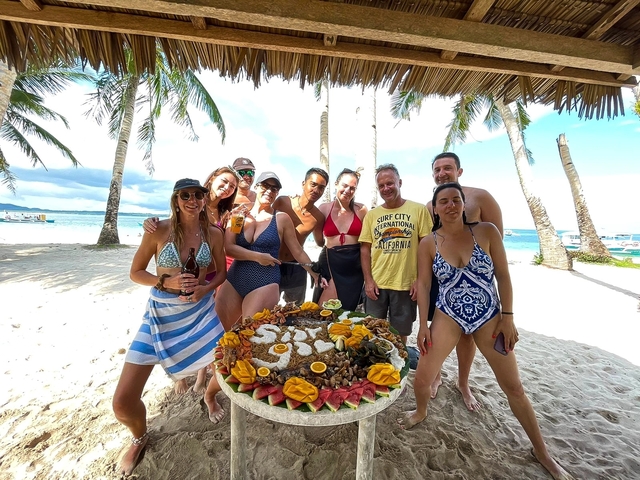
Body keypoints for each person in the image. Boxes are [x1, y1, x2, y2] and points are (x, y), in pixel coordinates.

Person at [398, 183, 570, 480]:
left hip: (489, 316)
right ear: (435, 209)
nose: (450, 205)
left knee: (514, 387)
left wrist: (508, 317)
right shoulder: (428, 242)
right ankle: (421, 412)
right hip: (447, 315)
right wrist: (423, 325)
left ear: (464, 204)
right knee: (423, 377)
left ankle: (541, 451)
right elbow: (424, 285)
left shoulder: (486, 232)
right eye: (443, 201)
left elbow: (503, 276)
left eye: (455, 200)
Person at [113, 179, 228, 476]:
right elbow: (135, 272)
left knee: (228, 363)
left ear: (205, 199)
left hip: (201, 314)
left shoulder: (213, 234)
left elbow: (221, 274)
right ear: (176, 200)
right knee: (123, 403)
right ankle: (139, 437)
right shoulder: (158, 230)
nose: (193, 199)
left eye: (198, 195)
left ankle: (209, 396)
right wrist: (165, 281)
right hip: (161, 315)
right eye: (185, 195)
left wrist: (206, 289)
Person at [142, 165, 241, 394]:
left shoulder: (228, 213)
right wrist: (150, 223)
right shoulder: (188, 204)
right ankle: (181, 377)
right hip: (175, 285)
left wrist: (207, 287)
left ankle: (200, 379)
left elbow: (226, 246)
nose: (227, 188)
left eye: (232, 187)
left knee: (206, 334)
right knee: (180, 333)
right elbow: (174, 226)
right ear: (211, 181)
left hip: (206, 277)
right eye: (224, 182)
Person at [427, 152, 504, 410]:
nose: (441, 173)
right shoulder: (431, 204)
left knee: (467, 336)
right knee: (437, 333)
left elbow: (496, 241)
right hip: (445, 277)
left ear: (459, 171)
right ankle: (435, 376)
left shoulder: (479, 197)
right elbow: (430, 241)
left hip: (476, 282)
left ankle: (463, 382)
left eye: (447, 168)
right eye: (437, 169)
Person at [216, 172, 326, 329]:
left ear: (277, 193)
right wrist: (258, 256)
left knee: (249, 334)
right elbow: (229, 248)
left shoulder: (281, 219)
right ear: (256, 187)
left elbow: (297, 251)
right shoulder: (239, 215)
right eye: (265, 186)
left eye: (274, 189)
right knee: (221, 331)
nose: (269, 191)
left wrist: (316, 273)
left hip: (264, 282)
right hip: (235, 279)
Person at [359, 164, 432, 343]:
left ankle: (398, 368)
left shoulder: (418, 210)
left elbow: (427, 248)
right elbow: (365, 249)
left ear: (399, 182)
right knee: (373, 331)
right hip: (377, 284)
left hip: (406, 285)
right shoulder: (372, 215)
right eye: (381, 186)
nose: (386, 188)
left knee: (400, 334)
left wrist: (420, 280)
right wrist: (368, 280)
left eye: (390, 183)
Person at [312, 167, 368, 311]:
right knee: (324, 310)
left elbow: (368, 243)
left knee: (349, 310)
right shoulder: (324, 208)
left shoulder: (361, 210)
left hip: (355, 265)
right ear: (336, 184)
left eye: (352, 188)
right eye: (344, 185)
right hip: (331, 261)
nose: (347, 191)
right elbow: (319, 241)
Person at [273, 167, 329, 305]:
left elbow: (320, 242)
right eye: (313, 184)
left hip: (297, 266)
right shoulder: (283, 202)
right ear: (303, 183)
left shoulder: (318, 217)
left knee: (295, 310)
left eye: (321, 188)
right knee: (267, 307)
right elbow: (262, 217)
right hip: (273, 262)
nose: (316, 190)